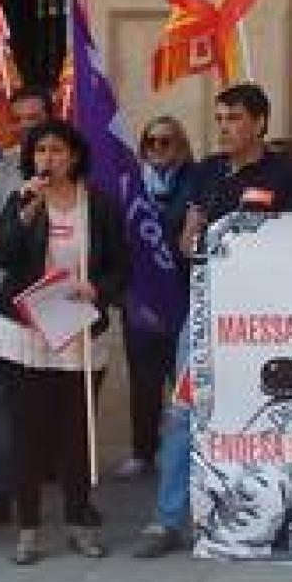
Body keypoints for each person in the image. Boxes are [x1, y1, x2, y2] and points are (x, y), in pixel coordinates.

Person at [133, 82, 292, 558]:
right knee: (185, 410)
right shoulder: (207, 171)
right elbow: (189, 227)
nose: (226, 128)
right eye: (220, 119)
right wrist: (191, 238)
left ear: (259, 122)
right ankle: (168, 518)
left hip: (263, 316)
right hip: (207, 308)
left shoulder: (286, 174)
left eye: (234, 118)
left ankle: (267, 517)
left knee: (267, 416)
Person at [0, 119, 128, 564]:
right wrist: (25, 214)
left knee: (75, 434)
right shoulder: (21, 201)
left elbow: (121, 268)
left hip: (77, 326)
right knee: (27, 434)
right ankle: (28, 527)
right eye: (40, 151)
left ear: (73, 156)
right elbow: (4, 258)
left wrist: (99, 291)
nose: (47, 159)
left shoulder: (99, 205)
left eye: (56, 150)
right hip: (26, 329)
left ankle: (79, 521)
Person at [0, 86, 53, 528]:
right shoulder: (1, 174)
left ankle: (62, 491)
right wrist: (12, 230)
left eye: (33, 116)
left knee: (56, 400)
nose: (25, 125)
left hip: (60, 298)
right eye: (17, 119)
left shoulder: (77, 171)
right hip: (4, 298)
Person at [114, 116, 195, 479]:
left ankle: (183, 451)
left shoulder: (194, 181)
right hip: (141, 297)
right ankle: (142, 450)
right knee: (143, 381)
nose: (158, 149)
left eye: (167, 142)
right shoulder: (130, 187)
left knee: (182, 382)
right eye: (152, 143)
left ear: (180, 145)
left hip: (182, 294)